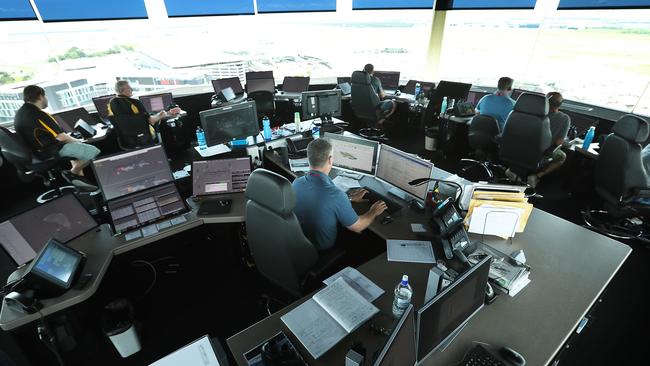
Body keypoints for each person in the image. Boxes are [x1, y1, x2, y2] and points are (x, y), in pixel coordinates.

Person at [292, 138, 387, 252]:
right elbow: (358, 227)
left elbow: (323, 202)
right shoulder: (335, 195)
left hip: (299, 242)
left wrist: (349, 198)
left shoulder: (297, 182)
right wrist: (373, 211)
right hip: (320, 251)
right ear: (330, 159)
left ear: (308, 158)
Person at [13, 85, 100, 185]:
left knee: (77, 151)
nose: (46, 99)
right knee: (93, 151)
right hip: (49, 151)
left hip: (35, 153)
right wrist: (79, 141)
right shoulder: (38, 114)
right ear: (40, 96)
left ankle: (82, 183)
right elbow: (61, 137)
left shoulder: (20, 113)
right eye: (45, 96)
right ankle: (72, 174)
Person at [108, 80, 180, 142]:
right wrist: (164, 113)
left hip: (126, 140)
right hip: (143, 137)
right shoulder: (135, 102)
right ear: (123, 89)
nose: (132, 89)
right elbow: (151, 121)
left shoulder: (111, 103)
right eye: (130, 88)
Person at [525, 92, 571, 188]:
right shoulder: (565, 118)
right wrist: (567, 142)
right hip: (543, 152)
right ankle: (537, 176)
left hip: (525, 146)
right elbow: (559, 142)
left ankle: (515, 170)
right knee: (562, 156)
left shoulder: (534, 112)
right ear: (560, 104)